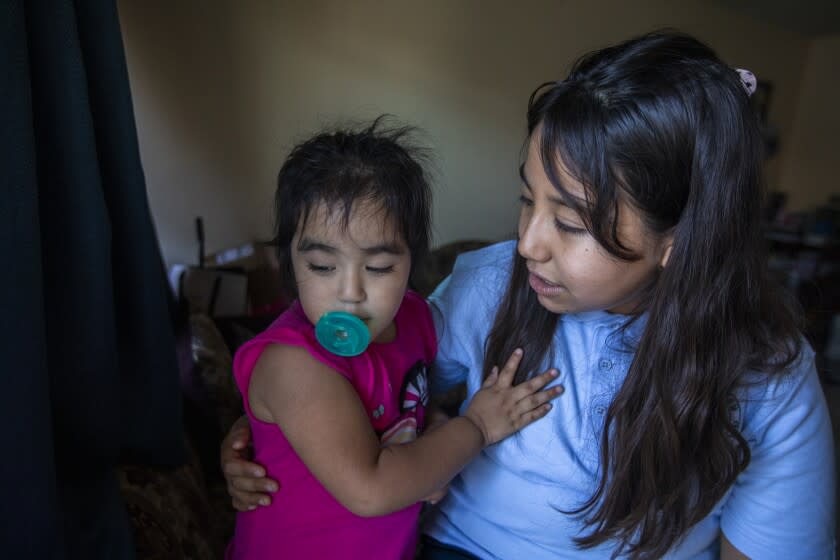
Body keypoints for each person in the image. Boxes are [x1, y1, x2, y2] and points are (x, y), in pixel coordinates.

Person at [222, 32, 836, 559]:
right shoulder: (489, 286)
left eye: (569, 224)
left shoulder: (767, 376)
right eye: (527, 201)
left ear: (679, 238)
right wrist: (266, 431)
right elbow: (360, 369)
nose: (527, 245)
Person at [225, 119, 562, 560]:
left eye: (379, 267)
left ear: (410, 262)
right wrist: (476, 426)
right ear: (289, 261)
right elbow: (370, 489)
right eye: (322, 267)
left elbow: (406, 405)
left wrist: (436, 433)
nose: (350, 292)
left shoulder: (417, 320)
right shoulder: (295, 365)